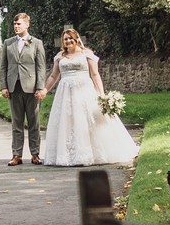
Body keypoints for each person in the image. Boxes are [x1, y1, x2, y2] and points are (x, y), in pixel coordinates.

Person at [42, 27, 139, 166]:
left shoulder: (87, 54)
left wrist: (101, 94)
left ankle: (91, 153)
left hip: (84, 90)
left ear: (76, 39)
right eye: (65, 39)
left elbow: (95, 74)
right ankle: (69, 154)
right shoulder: (59, 57)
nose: (68, 41)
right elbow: (53, 76)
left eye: (70, 38)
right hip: (65, 94)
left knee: (87, 119)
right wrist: (45, 89)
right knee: (67, 122)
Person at [0, 12, 47, 165]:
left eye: (19, 24)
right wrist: (4, 86)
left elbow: (41, 67)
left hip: (32, 88)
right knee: (16, 123)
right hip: (14, 87)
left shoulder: (36, 43)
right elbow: (3, 66)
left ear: (27, 25)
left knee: (34, 122)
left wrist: (40, 87)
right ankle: (16, 155)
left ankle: (35, 154)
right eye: (14, 24)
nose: (16, 26)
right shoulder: (8, 43)